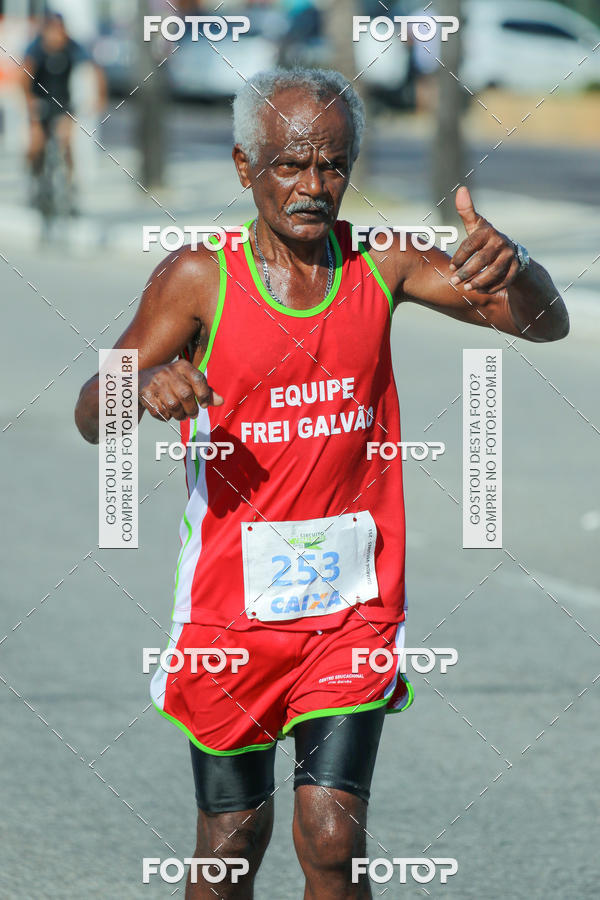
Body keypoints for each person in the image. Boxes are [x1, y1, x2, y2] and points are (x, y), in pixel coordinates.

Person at [75, 67, 568, 898]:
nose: (313, 186)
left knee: (333, 837)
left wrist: (517, 264)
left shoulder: (381, 263)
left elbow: (547, 324)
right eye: (290, 165)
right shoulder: (199, 278)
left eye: (333, 165)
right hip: (231, 614)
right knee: (232, 844)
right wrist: (145, 383)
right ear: (245, 166)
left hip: (350, 609)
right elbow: (92, 411)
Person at [21, 12, 106, 198]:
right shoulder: (36, 48)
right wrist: (29, 101)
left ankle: (69, 186)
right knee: (36, 144)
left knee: (66, 140)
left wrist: (100, 97)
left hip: (63, 101)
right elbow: (25, 75)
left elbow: (95, 68)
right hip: (39, 100)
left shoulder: (72, 47)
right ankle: (33, 179)